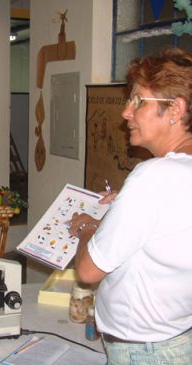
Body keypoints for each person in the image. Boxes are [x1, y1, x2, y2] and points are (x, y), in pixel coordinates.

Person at [71, 47, 192, 365]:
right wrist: (125, 206)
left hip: (144, 351)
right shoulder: (175, 174)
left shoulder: (154, 177)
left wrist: (88, 227)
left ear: (175, 110)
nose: (126, 112)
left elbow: (88, 271)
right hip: (177, 337)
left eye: (138, 100)